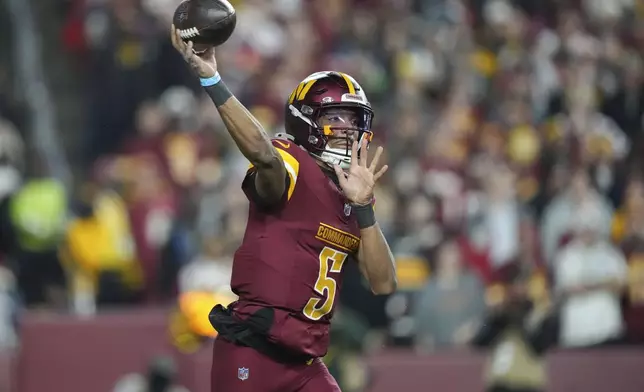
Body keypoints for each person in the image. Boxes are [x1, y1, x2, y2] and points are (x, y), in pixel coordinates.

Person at [170, 27, 397, 392]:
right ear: (307, 120)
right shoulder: (292, 163)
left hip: (305, 364)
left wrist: (365, 206)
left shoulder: (352, 197)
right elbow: (264, 155)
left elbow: (383, 282)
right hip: (253, 351)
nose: (348, 130)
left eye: (354, 121)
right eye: (336, 118)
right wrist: (211, 77)